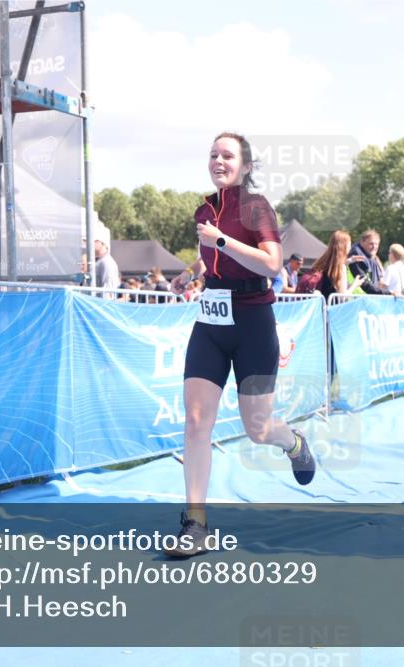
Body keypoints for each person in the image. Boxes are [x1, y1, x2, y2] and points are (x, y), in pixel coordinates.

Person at [164, 132, 316, 558]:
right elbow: (208, 251)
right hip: (211, 322)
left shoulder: (256, 207)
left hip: (252, 322)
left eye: (227, 155)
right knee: (196, 422)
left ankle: (294, 443)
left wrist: (222, 241)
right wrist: (192, 272)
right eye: (213, 154)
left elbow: (271, 263)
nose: (218, 160)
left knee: (258, 428)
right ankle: (196, 523)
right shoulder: (205, 209)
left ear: (245, 166)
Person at [307, 230, 365, 299]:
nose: (350, 247)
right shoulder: (340, 268)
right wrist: (355, 284)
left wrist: (348, 261)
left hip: (322, 306)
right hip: (333, 308)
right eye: (349, 244)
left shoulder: (323, 263)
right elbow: (342, 297)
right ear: (344, 247)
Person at [348, 229, 389, 294]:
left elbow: (379, 281)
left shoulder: (371, 256)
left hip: (365, 298)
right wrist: (386, 293)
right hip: (355, 298)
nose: (374, 247)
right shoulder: (357, 255)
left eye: (376, 244)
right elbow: (364, 283)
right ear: (362, 242)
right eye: (371, 244)